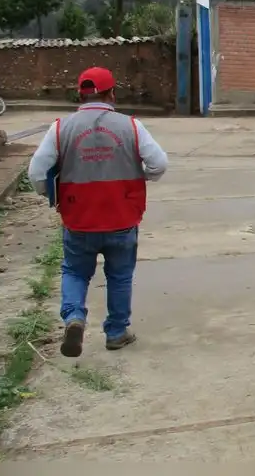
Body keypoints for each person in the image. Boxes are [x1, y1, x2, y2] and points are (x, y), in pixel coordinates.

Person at [27, 66, 169, 358]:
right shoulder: (131, 126)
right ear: (112, 93)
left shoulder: (60, 128)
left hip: (79, 218)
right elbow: (159, 164)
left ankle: (74, 318)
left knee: (75, 272)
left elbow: (36, 172)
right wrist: (141, 176)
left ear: (80, 95)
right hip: (122, 216)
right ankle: (116, 333)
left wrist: (50, 195)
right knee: (119, 276)